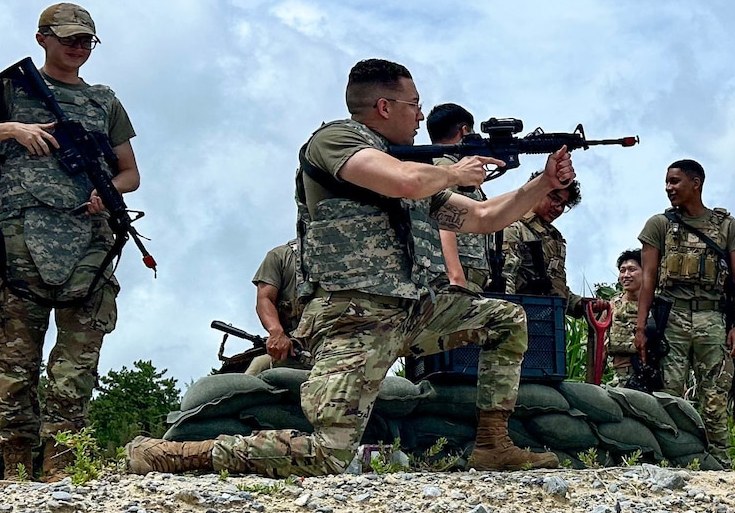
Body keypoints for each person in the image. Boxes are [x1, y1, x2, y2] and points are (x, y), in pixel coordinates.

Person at [126, 58, 573, 477]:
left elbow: (483, 217)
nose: (420, 116)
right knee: (330, 455)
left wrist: (543, 182)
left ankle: (492, 443)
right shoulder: (335, 141)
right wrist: (455, 171)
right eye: (414, 104)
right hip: (353, 314)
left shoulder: (412, 167)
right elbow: (403, 182)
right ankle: (178, 455)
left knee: (506, 318)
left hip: (411, 309)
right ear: (383, 106)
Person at [0, 4, 140, 484]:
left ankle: (61, 472)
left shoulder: (104, 101)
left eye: (87, 40)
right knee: (13, 364)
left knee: (75, 367)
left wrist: (105, 193)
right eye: (69, 38)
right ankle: (15, 472)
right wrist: (10, 129)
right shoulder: (9, 87)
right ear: (42, 37)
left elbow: (129, 172)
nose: (78, 47)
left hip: (89, 246)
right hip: (20, 245)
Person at [634, 160, 735, 459]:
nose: (669, 188)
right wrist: (641, 326)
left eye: (675, 181)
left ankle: (720, 461)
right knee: (668, 394)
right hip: (672, 316)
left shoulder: (725, 226)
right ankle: (673, 459)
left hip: (712, 317)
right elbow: (648, 277)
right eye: (667, 182)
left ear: (696, 184)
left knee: (715, 395)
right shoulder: (659, 225)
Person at [425, 103, 492, 292]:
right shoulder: (445, 167)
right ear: (464, 131)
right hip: (457, 280)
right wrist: (456, 278)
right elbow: (441, 220)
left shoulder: (443, 166)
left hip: (468, 279)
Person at [493, 182, 585, 313]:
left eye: (564, 204)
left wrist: (578, 304)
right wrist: (507, 318)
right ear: (537, 191)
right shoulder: (515, 227)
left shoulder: (553, 237)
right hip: (520, 315)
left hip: (547, 319)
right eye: (555, 199)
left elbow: (553, 286)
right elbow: (506, 277)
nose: (558, 208)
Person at [247, 240, 314, 375]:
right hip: (296, 347)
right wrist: (277, 333)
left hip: (344, 341)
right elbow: (265, 299)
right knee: (258, 367)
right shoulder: (281, 255)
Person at [604, 249, 643, 382]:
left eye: (632, 269)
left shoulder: (657, 306)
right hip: (621, 376)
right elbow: (601, 348)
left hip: (653, 375)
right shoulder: (612, 306)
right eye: (622, 270)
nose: (626, 275)